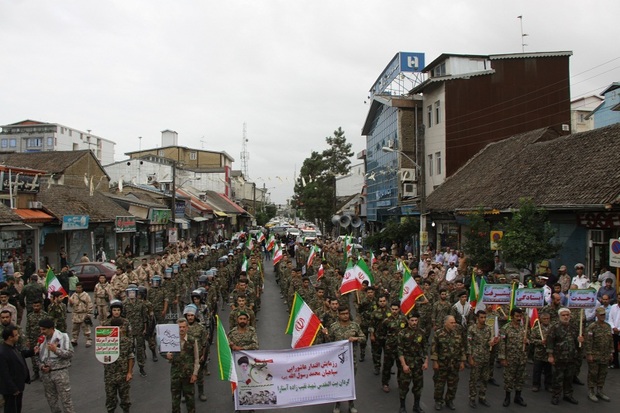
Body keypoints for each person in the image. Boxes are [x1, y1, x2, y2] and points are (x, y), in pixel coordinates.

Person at [324, 306, 364, 413]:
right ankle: (337, 404)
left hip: (351, 360)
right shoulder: (334, 327)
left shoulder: (354, 326)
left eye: (347, 313)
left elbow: (363, 338)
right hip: (337, 362)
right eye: (343, 314)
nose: (345, 315)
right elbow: (329, 343)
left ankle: (351, 405)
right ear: (338, 314)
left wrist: (355, 338)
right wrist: (326, 334)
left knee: (350, 383)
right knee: (338, 382)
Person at [546, 307, 584, 405]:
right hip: (559, 358)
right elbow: (550, 342)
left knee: (569, 378)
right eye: (563, 315)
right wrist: (550, 356)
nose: (566, 317)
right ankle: (556, 396)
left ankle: (568, 395)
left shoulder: (574, 327)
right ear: (559, 316)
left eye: (567, 315)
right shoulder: (554, 327)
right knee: (558, 379)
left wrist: (580, 341)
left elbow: (577, 344)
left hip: (571, 357)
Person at [38, 318, 76, 413]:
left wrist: (56, 350)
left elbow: (70, 354)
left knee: (66, 400)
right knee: (52, 401)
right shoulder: (42, 339)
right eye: (41, 329)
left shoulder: (63, 337)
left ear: (51, 328)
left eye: (44, 329)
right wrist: (41, 366)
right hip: (47, 375)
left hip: (60, 373)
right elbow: (39, 356)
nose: (42, 332)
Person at [164, 318, 199, 413]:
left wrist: (195, 374)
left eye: (184, 327)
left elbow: (196, 358)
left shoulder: (192, 340)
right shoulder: (171, 341)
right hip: (176, 375)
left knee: (190, 401)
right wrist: (166, 356)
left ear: (187, 328)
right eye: (179, 327)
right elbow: (163, 352)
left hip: (188, 376)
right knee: (175, 402)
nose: (182, 329)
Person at [430, 315, 465, 411]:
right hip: (442, 364)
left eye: (454, 322)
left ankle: (449, 400)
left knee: (453, 384)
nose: (454, 324)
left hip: (454, 364)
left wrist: (462, 361)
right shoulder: (438, 334)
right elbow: (434, 349)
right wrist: (435, 362)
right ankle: (438, 401)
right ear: (445, 323)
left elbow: (462, 347)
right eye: (451, 323)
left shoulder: (457, 333)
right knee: (439, 384)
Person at [397, 312, 428, 413]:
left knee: (418, 386)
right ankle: (402, 407)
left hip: (418, 364)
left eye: (416, 320)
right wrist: (404, 365)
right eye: (412, 320)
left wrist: (426, 362)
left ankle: (416, 406)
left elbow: (425, 348)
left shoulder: (422, 332)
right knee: (404, 387)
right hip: (407, 363)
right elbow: (400, 350)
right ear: (408, 321)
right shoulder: (402, 333)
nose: (414, 322)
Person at [0, 325, 35, 413]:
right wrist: (13, 389)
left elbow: (20, 355)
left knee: (17, 408)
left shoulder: (13, 347)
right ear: (10, 338)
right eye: (16, 335)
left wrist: (33, 352)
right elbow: (4, 374)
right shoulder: (3, 353)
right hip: (11, 389)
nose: (18, 336)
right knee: (11, 409)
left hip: (18, 386)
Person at [467, 310, 498, 408]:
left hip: (486, 357)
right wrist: (470, 357)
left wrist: (492, 342)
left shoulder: (488, 329)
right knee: (474, 380)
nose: (483, 319)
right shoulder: (472, 329)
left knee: (485, 379)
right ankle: (472, 398)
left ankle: (482, 397)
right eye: (481, 317)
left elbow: (489, 341)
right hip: (476, 358)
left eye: (485, 318)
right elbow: (469, 344)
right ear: (477, 318)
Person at [498, 307, 527, 407]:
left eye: (520, 316)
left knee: (520, 378)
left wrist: (527, 342)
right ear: (512, 317)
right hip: (510, 358)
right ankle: (507, 397)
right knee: (508, 379)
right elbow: (502, 344)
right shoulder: (505, 328)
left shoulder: (524, 328)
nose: (519, 318)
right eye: (517, 316)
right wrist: (502, 358)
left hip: (522, 357)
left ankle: (518, 397)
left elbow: (530, 341)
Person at [104, 317, 134, 413]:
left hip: (123, 375)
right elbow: (101, 356)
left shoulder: (127, 341)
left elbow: (130, 357)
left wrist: (129, 372)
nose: (120, 330)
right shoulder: (106, 341)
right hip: (110, 375)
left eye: (121, 328)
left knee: (125, 400)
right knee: (110, 400)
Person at [584, 307, 613, 402]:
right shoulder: (592, 327)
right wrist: (589, 354)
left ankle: (600, 390)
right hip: (595, 355)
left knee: (603, 374)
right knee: (593, 374)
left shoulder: (608, 326)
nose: (603, 316)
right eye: (601, 315)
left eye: (604, 314)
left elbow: (610, 341)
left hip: (605, 355)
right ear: (596, 315)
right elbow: (588, 341)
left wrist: (611, 352)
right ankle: (591, 391)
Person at [530, 311, 552, 392]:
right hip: (539, 353)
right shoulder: (536, 329)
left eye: (547, 318)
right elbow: (531, 340)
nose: (546, 320)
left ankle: (548, 385)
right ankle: (536, 384)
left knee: (549, 371)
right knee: (537, 370)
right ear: (540, 320)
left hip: (549, 353)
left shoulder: (553, 328)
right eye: (544, 319)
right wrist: (540, 342)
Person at [69, 283, 93, 347]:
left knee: (86, 328)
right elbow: (71, 305)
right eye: (77, 287)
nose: (78, 289)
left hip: (84, 314)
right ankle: (74, 340)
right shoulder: (74, 295)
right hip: (76, 314)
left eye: (79, 287)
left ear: (82, 288)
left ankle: (88, 340)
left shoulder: (86, 295)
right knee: (75, 328)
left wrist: (89, 313)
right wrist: (70, 302)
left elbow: (89, 304)